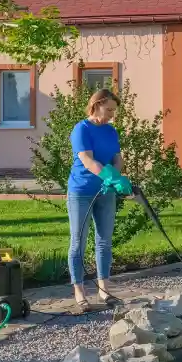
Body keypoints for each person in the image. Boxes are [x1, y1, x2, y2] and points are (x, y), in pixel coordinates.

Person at [67, 88, 131, 313]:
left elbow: (117, 158)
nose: (112, 114)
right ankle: (80, 293)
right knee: (79, 242)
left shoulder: (111, 131)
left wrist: (115, 177)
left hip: (106, 192)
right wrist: (109, 177)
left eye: (114, 111)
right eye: (109, 109)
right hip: (82, 191)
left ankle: (104, 290)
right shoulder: (81, 129)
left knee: (104, 241)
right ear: (96, 105)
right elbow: (87, 160)